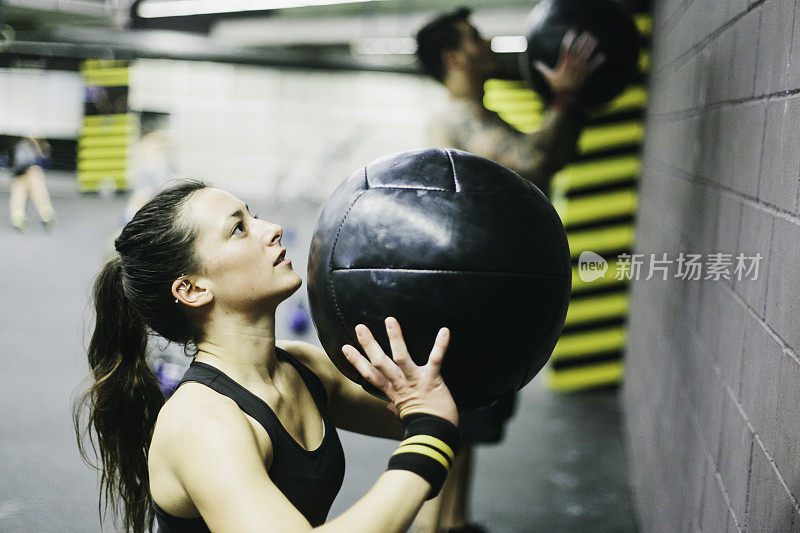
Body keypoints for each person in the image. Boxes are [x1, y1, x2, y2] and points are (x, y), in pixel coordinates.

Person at [73, 180, 462, 533]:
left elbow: (433, 410)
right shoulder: (203, 423)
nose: (271, 228)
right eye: (239, 228)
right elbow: (430, 428)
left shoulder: (305, 367)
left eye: (253, 216)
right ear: (192, 289)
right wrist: (429, 442)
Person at [414, 8, 602, 533]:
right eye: (475, 38)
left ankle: (455, 523)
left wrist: (569, 102)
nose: (488, 43)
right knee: (449, 417)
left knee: (465, 418)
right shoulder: (454, 118)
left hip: (479, 286)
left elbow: (552, 156)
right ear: (455, 57)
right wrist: (563, 97)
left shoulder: (480, 115)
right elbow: (534, 161)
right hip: (461, 292)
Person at [9, 136, 56, 231]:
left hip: (24, 172)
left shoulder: (24, 145)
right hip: (32, 171)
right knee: (37, 193)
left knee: (19, 194)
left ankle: (18, 217)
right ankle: (46, 214)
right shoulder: (37, 146)